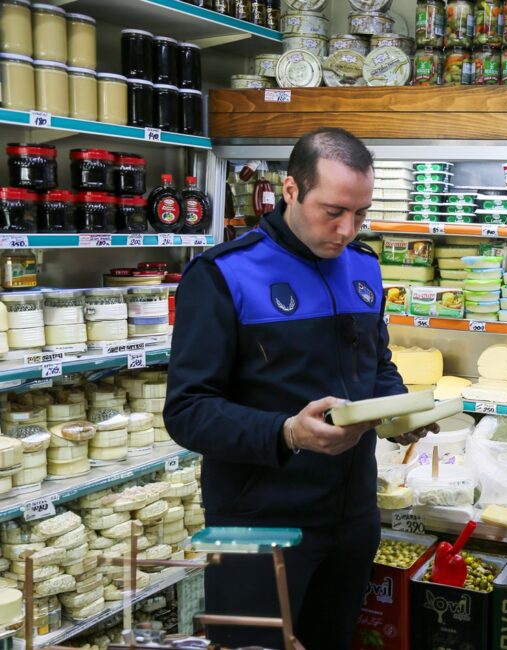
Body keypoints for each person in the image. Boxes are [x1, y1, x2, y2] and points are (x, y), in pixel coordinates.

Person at [164, 128, 435, 649]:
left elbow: (375, 364)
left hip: (351, 515)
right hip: (256, 521)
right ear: (290, 190)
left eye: (360, 214)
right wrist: (287, 432)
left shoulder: (364, 266)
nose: (347, 230)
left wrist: (402, 410)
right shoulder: (223, 275)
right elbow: (187, 411)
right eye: (333, 211)